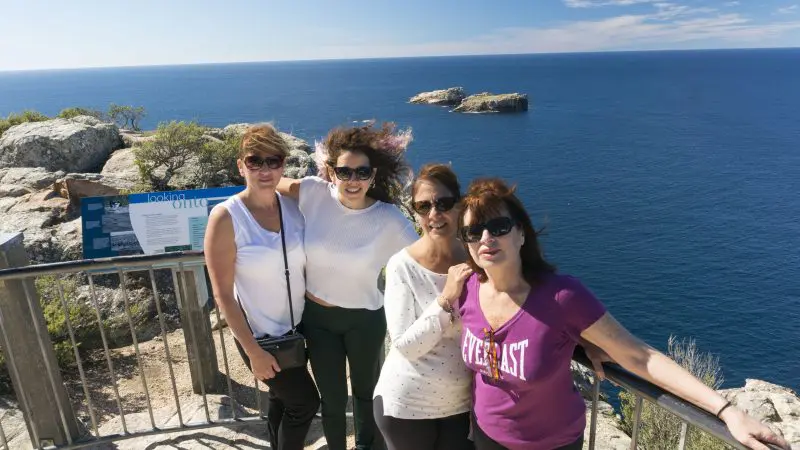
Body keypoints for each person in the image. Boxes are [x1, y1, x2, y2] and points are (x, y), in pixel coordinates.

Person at [440, 178, 791, 450]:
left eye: (498, 226)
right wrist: (578, 344)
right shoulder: (467, 288)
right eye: (473, 231)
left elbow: (640, 357)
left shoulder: (562, 296)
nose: (486, 238)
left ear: (520, 233)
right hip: (487, 433)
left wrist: (726, 411)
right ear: (467, 243)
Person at [277, 122, 420, 450]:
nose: (353, 180)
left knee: (366, 394)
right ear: (331, 172)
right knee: (331, 397)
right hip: (317, 320)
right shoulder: (313, 192)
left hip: (365, 320)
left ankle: (368, 447)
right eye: (344, 172)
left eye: (362, 172)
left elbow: (423, 260)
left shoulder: (390, 220)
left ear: (373, 175)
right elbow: (268, 183)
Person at [204, 124, 320, 450]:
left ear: (283, 164)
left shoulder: (293, 208)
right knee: (305, 403)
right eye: (255, 161)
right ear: (241, 165)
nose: (265, 170)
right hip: (260, 338)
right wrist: (254, 352)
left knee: (282, 401)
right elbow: (222, 294)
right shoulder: (226, 217)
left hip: (296, 331)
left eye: (274, 161)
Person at [373, 164, 474, 450]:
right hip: (408, 406)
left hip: (463, 405)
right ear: (414, 211)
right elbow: (405, 344)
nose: (434, 214)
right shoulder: (402, 266)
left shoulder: (478, 257)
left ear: (459, 204)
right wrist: (446, 299)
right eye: (423, 206)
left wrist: (580, 340)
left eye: (443, 203)